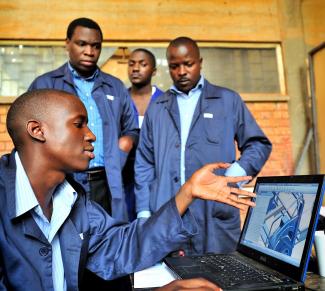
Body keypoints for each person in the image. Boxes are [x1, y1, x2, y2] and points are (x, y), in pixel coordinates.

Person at [0, 89, 255, 291]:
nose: (91, 136)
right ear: (37, 130)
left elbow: (120, 246)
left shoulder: (72, 199)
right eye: (79, 124)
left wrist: (186, 193)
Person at [135, 36, 272, 255]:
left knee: (222, 280)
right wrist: (144, 212)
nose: (181, 71)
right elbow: (144, 162)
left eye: (188, 64)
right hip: (168, 214)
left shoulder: (227, 100)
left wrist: (232, 177)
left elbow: (258, 144)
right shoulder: (157, 107)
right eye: (174, 66)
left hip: (214, 215)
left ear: (200, 62)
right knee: (174, 282)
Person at [29, 17, 137, 222]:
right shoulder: (45, 85)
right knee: (68, 243)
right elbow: (29, 138)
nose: (90, 51)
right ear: (67, 43)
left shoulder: (115, 86)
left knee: (109, 241)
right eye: (82, 44)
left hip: (106, 181)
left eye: (96, 46)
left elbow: (132, 128)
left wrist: (124, 144)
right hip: (63, 180)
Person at [123, 48, 164, 220]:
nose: (136, 68)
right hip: (124, 178)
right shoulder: (120, 99)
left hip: (156, 178)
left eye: (143, 64)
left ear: (154, 71)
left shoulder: (165, 101)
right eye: (131, 64)